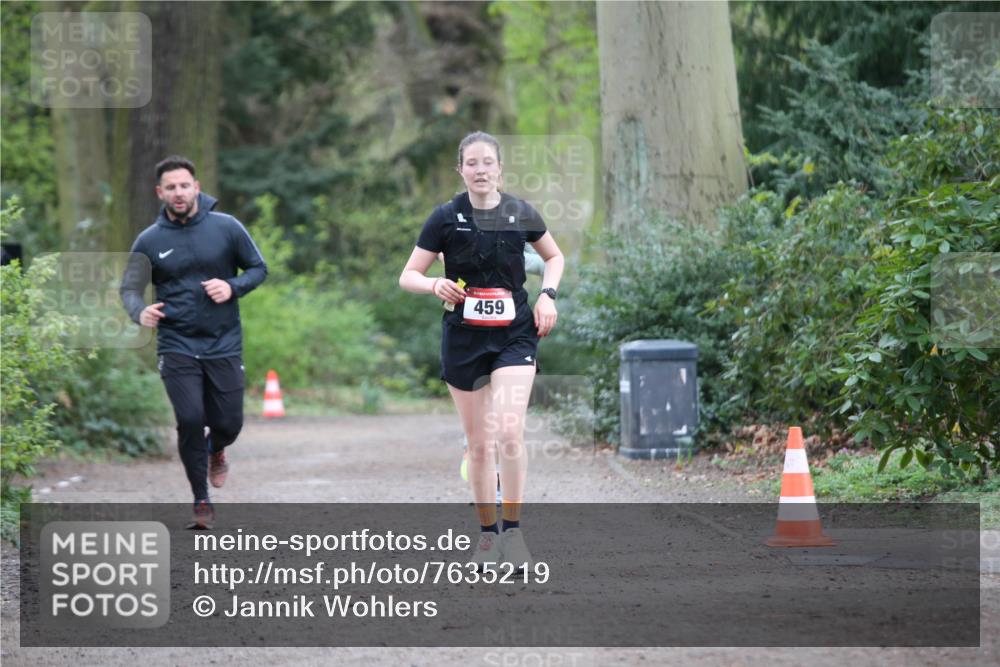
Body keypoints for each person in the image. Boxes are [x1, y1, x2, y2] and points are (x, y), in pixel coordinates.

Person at [399, 132, 565, 570]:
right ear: (461, 170)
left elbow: (555, 257)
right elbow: (408, 275)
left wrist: (547, 295)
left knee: (509, 433)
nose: (480, 169)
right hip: (464, 338)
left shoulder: (520, 212)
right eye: (471, 163)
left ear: (499, 168)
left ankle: (513, 534)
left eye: (487, 162)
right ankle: (487, 537)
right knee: (478, 446)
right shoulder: (444, 218)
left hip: (514, 335)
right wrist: (434, 282)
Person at [120, 156, 267, 529]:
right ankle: (201, 499)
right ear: (160, 193)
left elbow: (258, 268)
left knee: (229, 423)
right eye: (171, 187)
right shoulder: (149, 240)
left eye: (184, 185)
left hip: (223, 343)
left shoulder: (227, 227)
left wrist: (231, 286)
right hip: (176, 343)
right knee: (189, 419)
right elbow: (130, 288)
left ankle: (216, 448)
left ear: (196, 187)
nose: (179, 192)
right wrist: (140, 312)